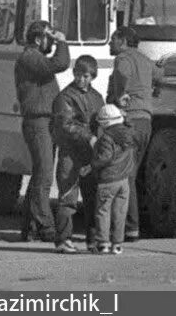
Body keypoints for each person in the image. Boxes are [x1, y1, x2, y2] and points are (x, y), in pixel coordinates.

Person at [13, 19, 70, 247]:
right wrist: (63, 43)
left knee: (39, 176)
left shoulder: (34, 59)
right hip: (37, 123)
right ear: (38, 39)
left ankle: (29, 227)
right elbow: (60, 63)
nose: (52, 42)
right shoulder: (30, 58)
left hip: (45, 122)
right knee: (44, 176)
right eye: (49, 37)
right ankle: (46, 227)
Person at [106, 26, 155, 243]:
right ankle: (130, 227)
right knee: (131, 174)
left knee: (124, 176)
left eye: (113, 40)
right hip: (145, 122)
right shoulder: (146, 60)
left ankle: (130, 228)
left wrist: (118, 95)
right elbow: (161, 76)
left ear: (123, 41)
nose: (110, 44)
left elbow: (122, 73)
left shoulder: (123, 58)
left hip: (130, 121)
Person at [52, 54, 104, 252]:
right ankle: (63, 239)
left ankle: (93, 240)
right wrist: (88, 136)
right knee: (67, 197)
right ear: (74, 74)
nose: (82, 79)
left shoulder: (97, 97)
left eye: (87, 76)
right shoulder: (64, 97)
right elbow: (65, 125)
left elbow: (102, 120)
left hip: (91, 155)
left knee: (93, 198)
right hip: (70, 154)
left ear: (93, 77)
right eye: (79, 75)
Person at [88, 103, 136, 255]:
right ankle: (117, 244)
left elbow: (105, 158)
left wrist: (91, 166)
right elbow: (130, 125)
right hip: (124, 181)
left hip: (108, 180)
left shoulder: (106, 139)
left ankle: (103, 243)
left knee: (103, 211)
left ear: (103, 123)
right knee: (120, 212)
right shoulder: (129, 134)